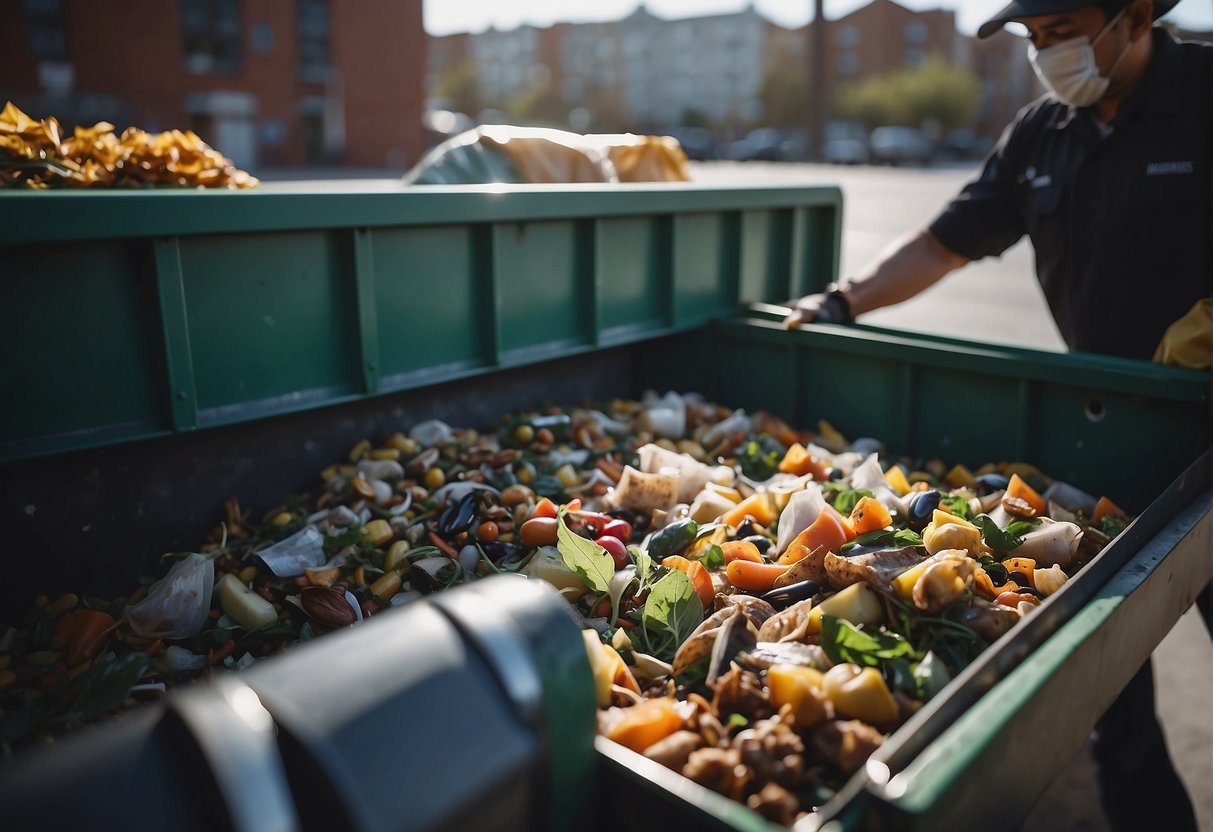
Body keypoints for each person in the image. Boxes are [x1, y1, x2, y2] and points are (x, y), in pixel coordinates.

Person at [785, 1, 1210, 830]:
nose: (1046, 52)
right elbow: (946, 242)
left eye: (1062, 30)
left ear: (1132, 16)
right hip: (1106, 431)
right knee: (1110, 690)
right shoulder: (1040, 135)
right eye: (1033, 37)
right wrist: (842, 301)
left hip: (1212, 421)